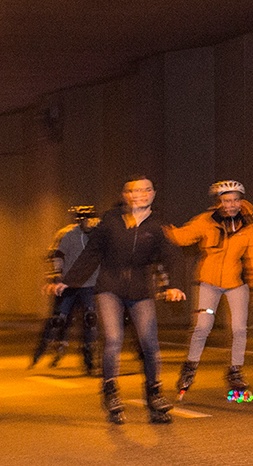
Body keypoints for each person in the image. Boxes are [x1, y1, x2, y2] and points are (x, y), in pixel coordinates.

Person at [56, 176, 185, 424]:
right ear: (126, 195)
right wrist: (69, 280)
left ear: (153, 194)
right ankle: (111, 391)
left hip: (141, 290)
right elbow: (92, 253)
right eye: (135, 190)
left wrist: (175, 285)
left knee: (150, 344)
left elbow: (172, 255)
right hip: (110, 288)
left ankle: (154, 395)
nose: (141, 194)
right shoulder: (110, 221)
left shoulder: (157, 225)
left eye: (146, 190)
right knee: (114, 340)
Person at [166, 180, 253, 403]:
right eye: (226, 200)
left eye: (235, 200)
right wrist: (162, 230)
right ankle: (189, 369)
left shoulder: (251, 225)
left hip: (236, 283)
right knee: (202, 326)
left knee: (239, 329)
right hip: (208, 282)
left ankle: (235, 373)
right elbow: (183, 236)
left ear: (241, 201)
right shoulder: (206, 221)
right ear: (219, 202)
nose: (231, 205)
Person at [31, 206, 100, 374]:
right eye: (85, 219)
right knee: (59, 319)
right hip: (68, 285)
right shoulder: (66, 234)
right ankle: (43, 347)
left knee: (90, 320)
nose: (89, 223)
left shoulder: (98, 235)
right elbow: (55, 256)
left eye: (90, 219)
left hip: (88, 285)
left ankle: (89, 359)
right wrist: (55, 280)